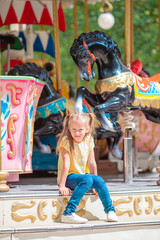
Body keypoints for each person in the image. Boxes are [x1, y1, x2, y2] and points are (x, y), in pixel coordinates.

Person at [57, 112, 118, 224]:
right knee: (88, 179)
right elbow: (66, 164)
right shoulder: (66, 141)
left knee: (99, 180)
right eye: (73, 129)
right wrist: (62, 185)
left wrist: (95, 185)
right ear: (69, 129)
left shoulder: (89, 139)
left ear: (87, 129)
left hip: (84, 177)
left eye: (80, 129)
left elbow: (92, 162)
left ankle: (110, 210)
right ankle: (68, 213)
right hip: (69, 177)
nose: (77, 133)